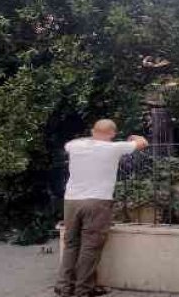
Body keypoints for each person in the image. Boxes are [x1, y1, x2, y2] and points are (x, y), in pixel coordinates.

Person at [56, 120, 149, 297]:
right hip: (97, 201)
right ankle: (83, 289)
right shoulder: (114, 148)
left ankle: (63, 287)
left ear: (92, 131)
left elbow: (79, 142)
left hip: (71, 200)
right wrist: (134, 137)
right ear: (112, 133)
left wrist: (94, 136)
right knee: (90, 246)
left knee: (71, 244)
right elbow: (143, 143)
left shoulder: (74, 145)